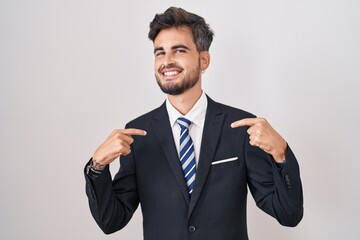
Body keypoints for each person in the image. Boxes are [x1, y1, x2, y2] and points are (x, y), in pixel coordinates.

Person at [84, 7, 303, 240]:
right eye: (159, 53)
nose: (167, 61)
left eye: (178, 51)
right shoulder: (139, 135)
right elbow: (111, 221)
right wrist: (97, 167)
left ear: (204, 59)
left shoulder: (240, 128)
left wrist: (282, 155)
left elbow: (288, 214)